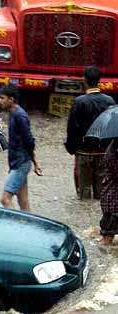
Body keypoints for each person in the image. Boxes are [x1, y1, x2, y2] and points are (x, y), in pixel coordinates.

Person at [65, 66, 115, 199]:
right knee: (102, 192)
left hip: (83, 152)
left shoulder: (79, 102)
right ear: (99, 80)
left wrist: (71, 148)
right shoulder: (110, 101)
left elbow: (72, 129)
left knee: (84, 193)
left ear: (84, 80)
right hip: (104, 152)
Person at [0, 84, 43, 211]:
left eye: (2, 98)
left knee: (5, 199)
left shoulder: (20, 116)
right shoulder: (13, 112)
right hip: (17, 162)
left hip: (20, 163)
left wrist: (35, 163)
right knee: (23, 202)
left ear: (11, 100)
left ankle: (15, 227)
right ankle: (29, 226)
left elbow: (29, 141)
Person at [99, 140, 118, 245]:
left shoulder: (114, 146)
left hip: (110, 198)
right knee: (107, 238)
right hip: (113, 201)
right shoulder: (112, 154)